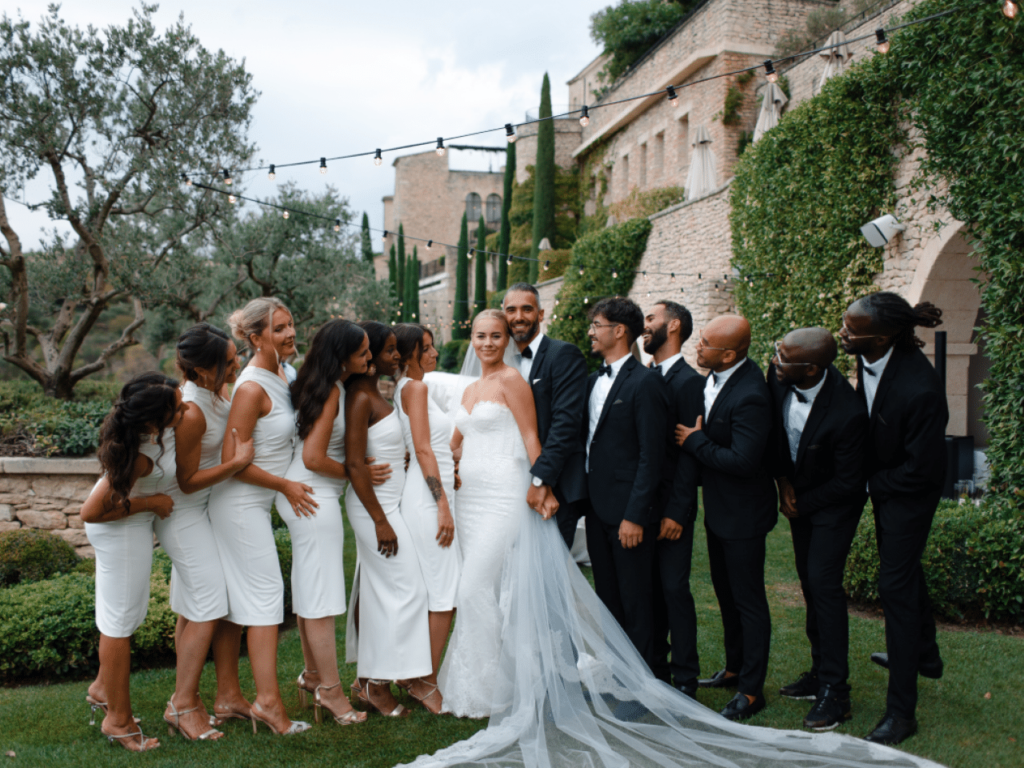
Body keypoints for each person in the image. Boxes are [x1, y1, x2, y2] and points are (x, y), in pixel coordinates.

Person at [400, 323, 943, 768]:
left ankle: (734, 685)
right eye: (481, 334)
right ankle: (717, 673)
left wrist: (674, 481)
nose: (698, 346)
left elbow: (710, 455)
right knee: (708, 596)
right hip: (562, 501)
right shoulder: (744, 381)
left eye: (707, 342)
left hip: (727, 512)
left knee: (717, 595)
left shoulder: (741, 386)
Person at [839, 292, 947, 745]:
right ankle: (925, 654)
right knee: (902, 570)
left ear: (880, 338)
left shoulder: (920, 389)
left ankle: (902, 712)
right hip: (886, 480)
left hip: (910, 491)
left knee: (894, 585)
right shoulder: (871, 357)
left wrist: (869, 485)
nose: (842, 333)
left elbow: (921, 468)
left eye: (851, 329)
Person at [207, 297, 313, 736]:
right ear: (255, 338)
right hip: (237, 503)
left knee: (236, 605)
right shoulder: (251, 388)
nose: (290, 334)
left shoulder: (283, 373)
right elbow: (235, 462)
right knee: (267, 597)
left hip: (255, 503)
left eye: (290, 325)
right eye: (279, 329)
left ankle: (228, 697)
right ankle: (268, 703)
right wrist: (285, 485)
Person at [437, 309, 549, 718]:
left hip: (503, 495)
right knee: (478, 591)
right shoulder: (471, 389)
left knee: (472, 588)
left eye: (496, 336)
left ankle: (495, 688)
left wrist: (542, 486)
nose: (487, 343)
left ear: (507, 340)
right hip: (468, 500)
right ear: (472, 338)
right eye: (481, 336)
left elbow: (531, 435)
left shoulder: (512, 382)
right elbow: (454, 444)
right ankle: (476, 682)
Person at [277, 319, 387, 727]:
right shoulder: (331, 394)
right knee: (321, 599)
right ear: (341, 358)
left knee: (310, 592)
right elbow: (313, 458)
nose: (369, 357)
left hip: (305, 496)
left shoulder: (327, 386)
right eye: (362, 352)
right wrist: (356, 473)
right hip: (312, 497)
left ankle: (311, 676)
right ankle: (332, 692)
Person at [675, 315, 776, 721]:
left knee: (749, 601)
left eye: (705, 344)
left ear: (729, 354)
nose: (696, 348)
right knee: (727, 596)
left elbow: (744, 460)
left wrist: (696, 442)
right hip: (718, 513)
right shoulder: (713, 378)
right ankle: (734, 668)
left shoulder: (751, 393)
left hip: (744, 515)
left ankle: (752, 691)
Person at [767, 328, 868, 730]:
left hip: (834, 506)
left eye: (784, 358)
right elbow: (777, 439)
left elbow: (848, 482)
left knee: (824, 585)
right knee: (809, 583)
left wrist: (801, 502)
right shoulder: (779, 377)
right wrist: (783, 484)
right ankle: (818, 670)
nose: (775, 361)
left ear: (811, 368)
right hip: (800, 495)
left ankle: (836, 693)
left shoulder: (848, 411)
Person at [81, 373, 185, 753]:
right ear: (153, 419)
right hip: (120, 533)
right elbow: (90, 512)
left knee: (126, 616)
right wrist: (150, 504)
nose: (185, 409)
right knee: (119, 624)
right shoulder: (139, 457)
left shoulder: (142, 438)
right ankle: (118, 721)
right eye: (178, 406)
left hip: (129, 529)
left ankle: (100, 689)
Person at [163, 324, 254, 741]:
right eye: (228, 363)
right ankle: (182, 706)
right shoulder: (192, 410)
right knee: (208, 606)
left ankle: (192, 698)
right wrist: (235, 465)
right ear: (200, 371)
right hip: (184, 515)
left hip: (204, 513)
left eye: (236, 358)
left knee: (191, 608)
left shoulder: (216, 394)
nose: (237, 366)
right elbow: (186, 480)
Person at [344, 321, 431, 718]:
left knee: (390, 593)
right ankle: (375, 685)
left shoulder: (376, 393)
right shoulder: (360, 399)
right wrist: (380, 521)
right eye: (390, 350)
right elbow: (353, 464)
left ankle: (375, 678)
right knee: (405, 589)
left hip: (389, 503)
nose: (397, 356)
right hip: (373, 508)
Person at [584, 296, 669, 669]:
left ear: (619, 331)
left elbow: (653, 456)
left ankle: (644, 687)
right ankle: (618, 675)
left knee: (637, 601)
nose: (590, 331)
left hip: (628, 515)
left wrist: (635, 516)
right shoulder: (591, 381)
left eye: (596, 325)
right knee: (608, 599)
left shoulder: (646, 383)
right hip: (595, 507)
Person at [393, 323, 459, 715]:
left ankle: (414, 672)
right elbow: (421, 448)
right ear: (409, 355)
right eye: (428, 349)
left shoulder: (414, 388)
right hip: (427, 498)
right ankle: (425, 682)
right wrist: (443, 503)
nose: (435, 354)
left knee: (436, 590)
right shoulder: (415, 388)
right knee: (443, 594)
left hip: (430, 492)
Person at [643, 300, 703, 697]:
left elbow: (689, 453)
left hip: (671, 509)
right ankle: (653, 669)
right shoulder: (641, 376)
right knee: (647, 593)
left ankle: (686, 677)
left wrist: (678, 512)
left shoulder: (689, 381)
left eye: (651, 319)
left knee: (674, 590)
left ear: (674, 325)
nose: (644, 326)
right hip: (640, 507)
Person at [502, 283, 589, 549]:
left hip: (555, 484)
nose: (518, 316)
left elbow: (565, 425)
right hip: (509, 479)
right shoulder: (500, 361)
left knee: (548, 575)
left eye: (527, 309)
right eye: (511, 310)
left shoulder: (563, 354)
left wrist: (541, 480)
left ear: (541, 314)